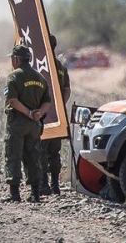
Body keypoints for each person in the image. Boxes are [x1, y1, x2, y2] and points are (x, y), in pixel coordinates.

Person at [3, 44, 51, 202]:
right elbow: (47, 102)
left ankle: (14, 194)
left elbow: (12, 100)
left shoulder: (14, 76)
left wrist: (28, 113)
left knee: (13, 155)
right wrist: (38, 114)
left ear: (17, 59)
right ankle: (35, 193)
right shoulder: (40, 77)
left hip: (18, 122)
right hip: (34, 125)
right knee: (33, 156)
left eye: (12, 58)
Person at [39, 34, 71, 195]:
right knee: (54, 151)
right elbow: (67, 90)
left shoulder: (40, 65)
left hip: (43, 114)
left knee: (42, 150)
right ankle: (55, 185)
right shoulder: (61, 67)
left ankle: (44, 185)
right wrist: (60, 106)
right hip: (56, 114)